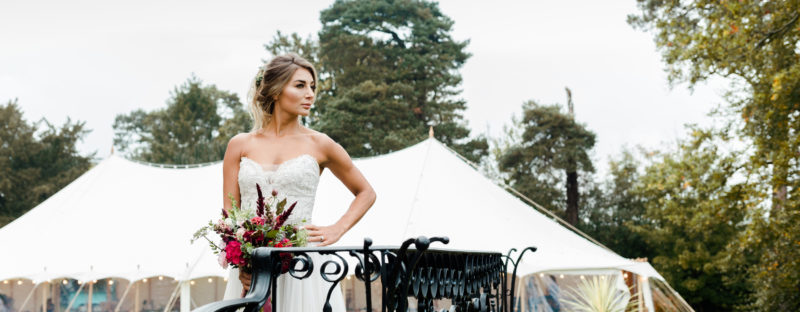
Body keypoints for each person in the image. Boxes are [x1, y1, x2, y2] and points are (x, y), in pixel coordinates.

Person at [221, 53, 377, 311]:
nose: (310, 94)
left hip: (303, 265)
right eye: (300, 85)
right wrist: (241, 265)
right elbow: (230, 215)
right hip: (252, 270)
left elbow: (366, 192)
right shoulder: (239, 145)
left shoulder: (321, 144)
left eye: (313, 87)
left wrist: (336, 229)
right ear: (275, 90)